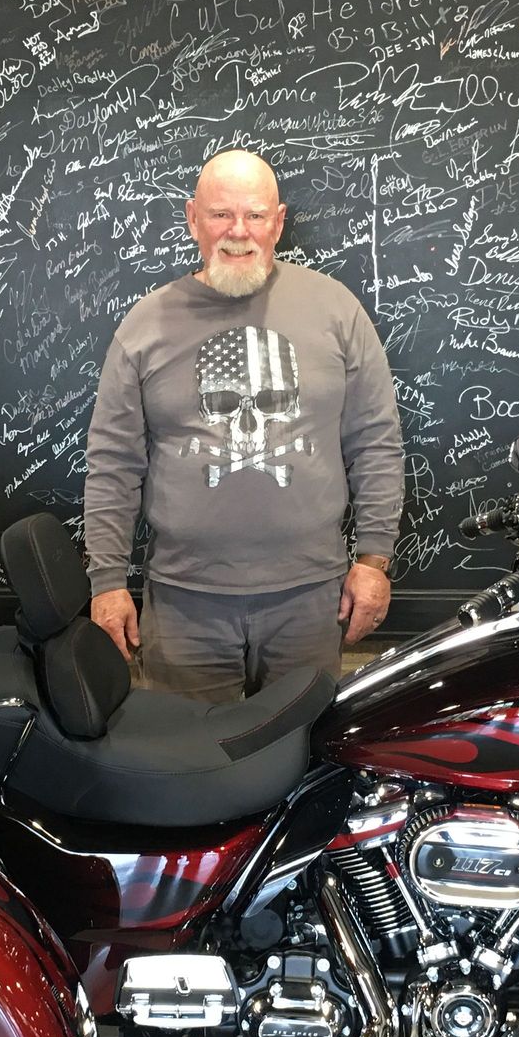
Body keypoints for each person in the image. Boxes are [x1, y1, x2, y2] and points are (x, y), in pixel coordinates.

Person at [83, 149, 404, 701]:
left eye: (254, 215)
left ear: (277, 222)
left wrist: (374, 560)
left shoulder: (336, 311)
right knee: (187, 749)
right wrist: (107, 582)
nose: (238, 231)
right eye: (221, 214)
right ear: (193, 219)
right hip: (184, 603)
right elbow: (113, 462)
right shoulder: (146, 324)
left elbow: (375, 442)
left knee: (302, 744)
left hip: (312, 598)